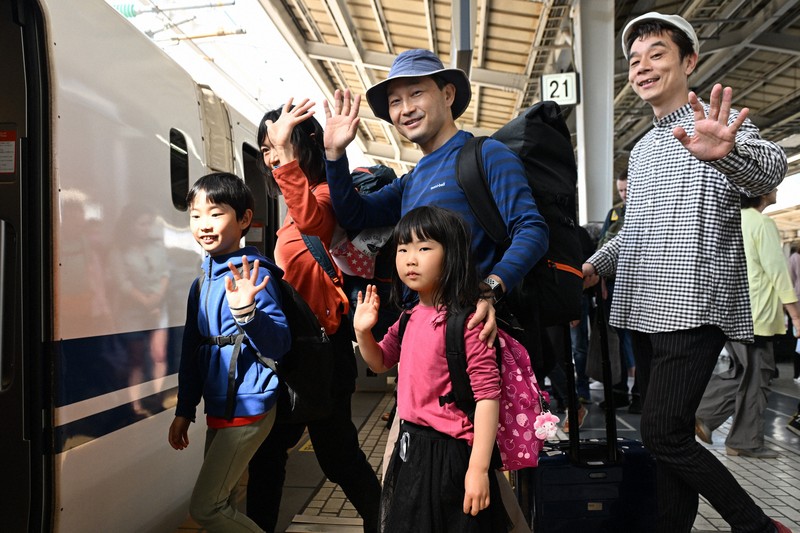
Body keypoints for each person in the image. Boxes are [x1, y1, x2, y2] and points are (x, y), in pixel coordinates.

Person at [322, 48, 548, 533]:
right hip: (425, 343)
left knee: (469, 475)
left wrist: (489, 288)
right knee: (431, 481)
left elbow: (531, 229)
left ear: (448, 94)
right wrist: (335, 156)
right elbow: (356, 216)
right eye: (395, 101)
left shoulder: (486, 155)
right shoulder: (413, 178)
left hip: (471, 341)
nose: (405, 108)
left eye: (416, 93)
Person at [583, 12, 791, 533]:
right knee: (670, 434)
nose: (642, 67)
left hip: (695, 306)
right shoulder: (643, 149)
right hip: (647, 310)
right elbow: (632, 235)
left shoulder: (710, 125)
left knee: (663, 435)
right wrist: (592, 265)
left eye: (657, 54)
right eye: (634, 61)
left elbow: (771, 168)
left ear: (689, 61)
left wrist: (729, 152)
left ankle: (757, 525)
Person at [246, 101, 382, 533]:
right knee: (272, 459)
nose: (271, 156)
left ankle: (388, 520)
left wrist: (286, 158)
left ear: (304, 144)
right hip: (298, 353)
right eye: (267, 148)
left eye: (280, 145)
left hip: (323, 354)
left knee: (336, 458)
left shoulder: (324, 196)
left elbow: (315, 222)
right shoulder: (290, 209)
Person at [353, 205, 507, 532]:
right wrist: (362, 333)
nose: (411, 258)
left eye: (424, 248)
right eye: (403, 248)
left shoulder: (467, 322)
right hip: (411, 448)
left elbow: (487, 397)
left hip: (451, 455)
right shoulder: (408, 318)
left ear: (452, 256)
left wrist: (478, 470)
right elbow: (379, 362)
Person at [168, 172, 291, 532]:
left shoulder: (252, 276)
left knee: (207, 508)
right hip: (221, 404)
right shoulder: (202, 281)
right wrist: (185, 409)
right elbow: (192, 349)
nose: (204, 224)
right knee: (221, 504)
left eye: (216, 213)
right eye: (195, 215)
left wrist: (247, 313)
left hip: (251, 403)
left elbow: (279, 344)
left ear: (244, 220)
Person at [695, 189, 800, 458]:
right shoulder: (761, 223)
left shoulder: (729, 220)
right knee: (758, 377)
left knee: (744, 372)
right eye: (774, 186)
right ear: (762, 193)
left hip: (732, 311)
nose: (777, 190)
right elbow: (777, 270)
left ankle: (707, 419)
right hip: (758, 315)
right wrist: (796, 316)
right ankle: (738, 438)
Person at [595, 171, 640, 414]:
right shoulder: (614, 214)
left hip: (641, 285)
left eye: (628, 189)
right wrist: (600, 281)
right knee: (617, 340)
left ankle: (640, 394)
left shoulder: (646, 210)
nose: (625, 195)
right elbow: (602, 246)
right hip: (614, 285)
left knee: (640, 340)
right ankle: (619, 392)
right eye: (621, 190)